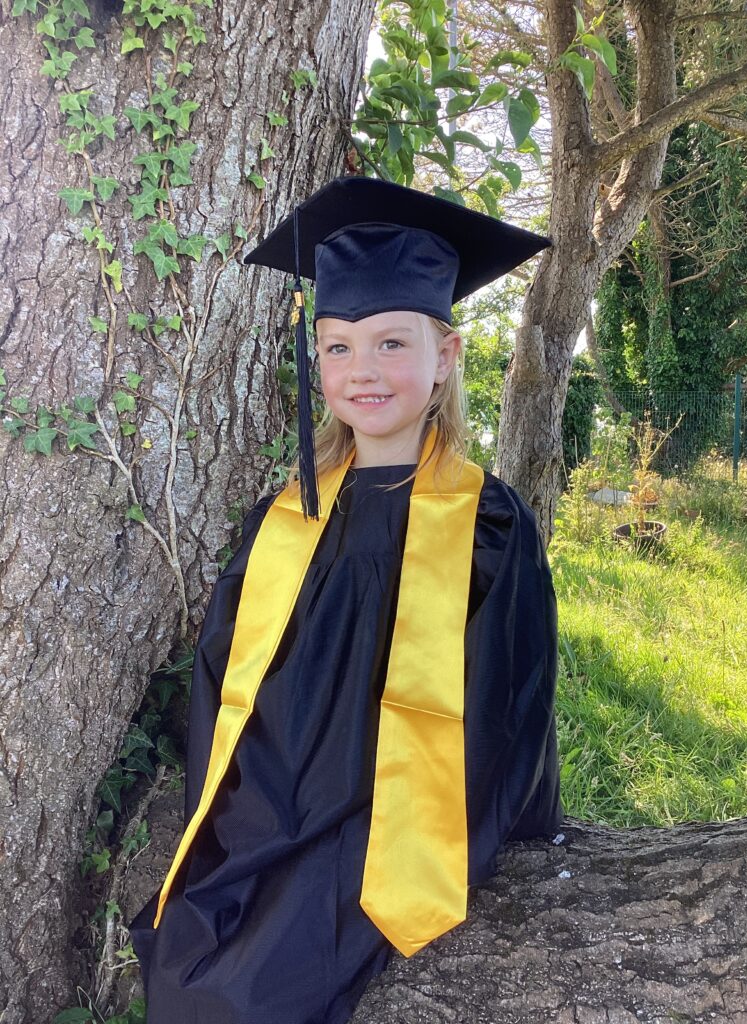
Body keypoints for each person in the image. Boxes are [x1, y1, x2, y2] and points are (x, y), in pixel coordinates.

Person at [128, 175, 563, 1024]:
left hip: (396, 823)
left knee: (237, 992)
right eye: (337, 346)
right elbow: (228, 684)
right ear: (314, 361)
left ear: (446, 357)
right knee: (191, 942)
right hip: (271, 812)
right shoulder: (289, 514)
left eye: (392, 343)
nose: (362, 370)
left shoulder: (489, 523)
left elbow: (508, 708)